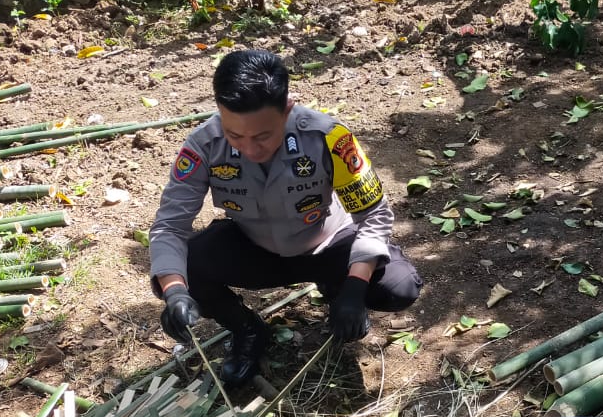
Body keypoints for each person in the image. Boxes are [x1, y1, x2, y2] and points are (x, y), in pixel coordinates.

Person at [148, 49, 423, 384]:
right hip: (256, 249)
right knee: (180, 268)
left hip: (329, 244)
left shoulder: (329, 137)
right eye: (235, 136)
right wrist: (175, 290)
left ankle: (336, 289)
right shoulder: (204, 145)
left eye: (263, 136)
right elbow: (169, 226)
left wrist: (354, 287)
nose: (249, 149)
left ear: (287, 108)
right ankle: (247, 331)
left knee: (399, 286)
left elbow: (373, 214)